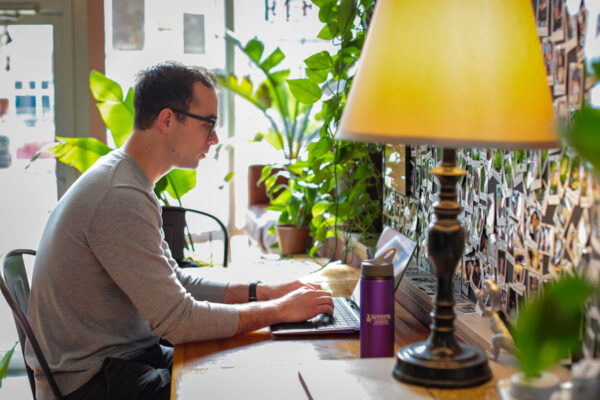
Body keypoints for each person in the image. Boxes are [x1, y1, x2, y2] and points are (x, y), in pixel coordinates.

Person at [26, 61, 334, 400]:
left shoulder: (128, 181)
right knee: (253, 379)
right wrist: (279, 311)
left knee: (253, 358)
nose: (214, 138)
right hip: (93, 383)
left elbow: (178, 282)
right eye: (209, 124)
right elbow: (180, 322)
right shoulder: (120, 195)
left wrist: (266, 292)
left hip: (124, 361)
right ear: (167, 120)